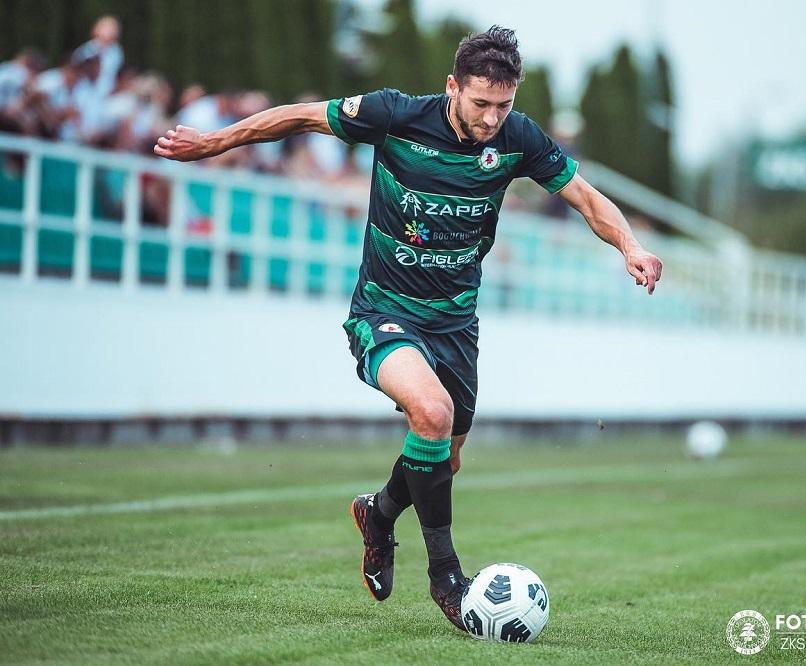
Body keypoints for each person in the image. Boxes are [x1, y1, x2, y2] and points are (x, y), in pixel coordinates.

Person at [153, 25, 662, 632]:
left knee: (445, 458)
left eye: (503, 105)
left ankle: (379, 513)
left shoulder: (518, 138)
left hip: (456, 323)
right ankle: (446, 575)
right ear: (452, 87)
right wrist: (215, 141)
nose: (492, 118)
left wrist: (630, 245)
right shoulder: (395, 115)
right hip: (383, 310)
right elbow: (300, 117)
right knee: (433, 411)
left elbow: (585, 197)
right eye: (481, 103)